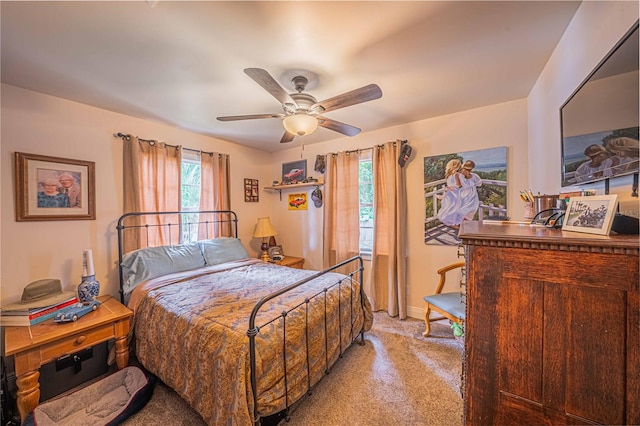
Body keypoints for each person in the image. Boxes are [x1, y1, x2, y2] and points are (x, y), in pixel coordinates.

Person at [436, 159, 463, 228]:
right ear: (455, 166)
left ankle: (451, 222)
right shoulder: (456, 175)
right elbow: (459, 185)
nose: (458, 168)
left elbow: (453, 185)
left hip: (451, 193)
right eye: (458, 166)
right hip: (454, 193)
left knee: (450, 207)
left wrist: (449, 188)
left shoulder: (449, 175)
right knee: (454, 208)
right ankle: (453, 223)